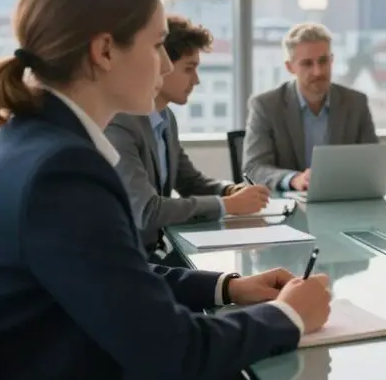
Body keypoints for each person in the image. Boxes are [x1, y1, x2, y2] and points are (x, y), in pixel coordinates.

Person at [0, 0, 332, 380]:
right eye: (157, 45)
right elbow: (178, 358)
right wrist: (290, 316)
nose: (163, 64)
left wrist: (229, 287)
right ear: (105, 50)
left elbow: (110, 278)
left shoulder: (30, 142)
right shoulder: (63, 172)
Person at [106, 14, 271, 262]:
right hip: (129, 260)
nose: (196, 80)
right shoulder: (120, 123)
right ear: (162, 66)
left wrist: (229, 190)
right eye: (189, 68)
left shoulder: (165, 118)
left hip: (160, 251)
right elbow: (147, 211)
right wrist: (228, 205)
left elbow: (190, 181)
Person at [243, 22, 379, 191]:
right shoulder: (266, 106)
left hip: (343, 203)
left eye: (323, 61)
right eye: (307, 63)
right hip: (289, 209)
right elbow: (254, 167)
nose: (318, 72)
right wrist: (294, 179)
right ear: (290, 67)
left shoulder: (356, 103)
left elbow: (374, 164)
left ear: (332, 60)